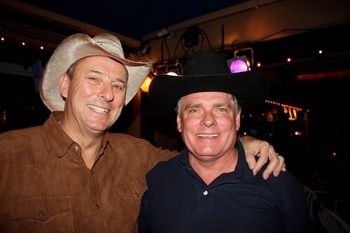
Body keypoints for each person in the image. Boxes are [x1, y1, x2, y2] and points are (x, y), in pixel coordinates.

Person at [0, 33, 285, 233]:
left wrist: (242, 141)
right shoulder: (8, 156)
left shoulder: (139, 156)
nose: (107, 95)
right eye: (93, 78)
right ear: (65, 85)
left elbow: (202, 156)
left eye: (117, 85)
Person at [139, 50, 313, 233]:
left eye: (221, 109)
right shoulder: (158, 180)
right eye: (194, 110)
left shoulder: (278, 183)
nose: (208, 120)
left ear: (237, 119)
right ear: (179, 122)